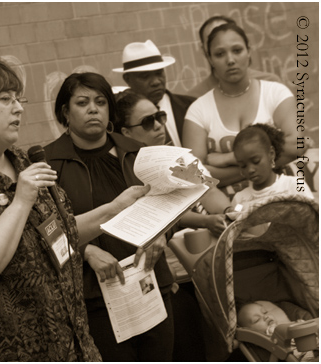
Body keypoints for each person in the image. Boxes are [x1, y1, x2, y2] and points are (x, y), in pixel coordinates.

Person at [0, 58, 149, 362]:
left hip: (70, 345)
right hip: (7, 353)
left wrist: (116, 208)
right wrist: (20, 201)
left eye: (19, 98)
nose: (18, 108)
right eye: (5, 99)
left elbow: (60, 235)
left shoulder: (23, 161)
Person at [44, 72, 175, 362]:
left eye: (101, 102)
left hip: (149, 280)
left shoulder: (137, 152)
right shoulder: (50, 164)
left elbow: (168, 203)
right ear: (65, 112)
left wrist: (161, 234)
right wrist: (85, 250)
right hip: (95, 294)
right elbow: (45, 229)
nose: (93, 109)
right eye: (82, 102)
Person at [114, 89, 234, 361]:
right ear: (126, 133)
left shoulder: (175, 155)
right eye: (148, 122)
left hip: (196, 267)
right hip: (157, 278)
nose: (158, 125)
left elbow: (207, 189)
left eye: (160, 116)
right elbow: (162, 211)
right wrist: (204, 219)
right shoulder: (124, 168)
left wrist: (228, 211)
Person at [182, 23, 308, 200]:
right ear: (210, 60)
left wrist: (228, 158)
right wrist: (258, 165)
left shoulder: (275, 93)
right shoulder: (198, 110)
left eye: (237, 50)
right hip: (226, 206)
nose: (230, 60)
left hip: (283, 197)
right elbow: (193, 175)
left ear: (249, 52)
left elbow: (297, 145)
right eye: (220, 54)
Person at [113, 39, 196, 147]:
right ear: (127, 79)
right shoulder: (117, 120)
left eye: (159, 73)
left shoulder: (192, 106)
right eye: (145, 76)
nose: (156, 82)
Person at [186, 15, 281, 98]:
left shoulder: (270, 84)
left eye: (236, 50)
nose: (230, 59)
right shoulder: (193, 98)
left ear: (247, 49)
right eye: (211, 40)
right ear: (204, 50)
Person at [229, 123, 313, 214]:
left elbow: (312, 220)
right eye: (243, 166)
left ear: (271, 154)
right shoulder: (239, 200)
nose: (250, 170)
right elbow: (235, 224)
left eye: (256, 161)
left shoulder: (294, 186)